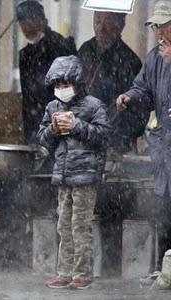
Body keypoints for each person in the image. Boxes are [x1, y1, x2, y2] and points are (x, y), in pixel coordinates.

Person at [38, 55, 111, 289]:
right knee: (63, 225)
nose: (62, 90)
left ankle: (82, 273)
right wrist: (53, 129)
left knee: (80, 225)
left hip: (85, 176)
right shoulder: (52, 108)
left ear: (78, 84)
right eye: (58, 86)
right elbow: (41, 139)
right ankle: (64, 272)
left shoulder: (93, 105)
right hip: (63, 176)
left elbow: (103, 136)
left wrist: (76, 126)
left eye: (66, 85)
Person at [116, 0, 171, 270]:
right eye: (156, 27)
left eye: (164, 26)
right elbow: (144, 89)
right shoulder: (153, 58)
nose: (159, 32)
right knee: (163, 212)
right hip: (164, 150)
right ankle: (164, 269)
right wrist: (130, 96)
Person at [78, 11, 149, 151]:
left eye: (108, 21)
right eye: (97, 20)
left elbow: (139, 109)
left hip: (114, 144)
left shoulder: (130, 61)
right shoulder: (85, 51)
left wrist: (120, 135)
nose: (101, 27)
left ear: (120, 25)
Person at [17, 0, 76, 144]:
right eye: (23, 22)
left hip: (58, 126)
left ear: (44, 21)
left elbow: (69, 92)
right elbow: (28, 96)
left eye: (32, 19)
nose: (27, 26)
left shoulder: (61, 46)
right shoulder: (25, 54)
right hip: (33, 127)